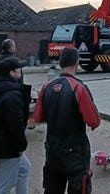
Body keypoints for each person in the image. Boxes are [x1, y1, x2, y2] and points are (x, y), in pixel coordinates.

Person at [32, 47, 101, 193]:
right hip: (74, 151)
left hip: (52, 149)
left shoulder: (46, 87)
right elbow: (94, 121)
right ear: (77, 63)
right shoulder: (79, 88)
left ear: (60, 62)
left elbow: (37, 117)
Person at [0, 57, 31, 194]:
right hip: (7, 146)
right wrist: (21, 145)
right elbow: (15, 124)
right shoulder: (12, 95)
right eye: (18, 69)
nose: (21, 71)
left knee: (24, 168)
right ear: (11, 73)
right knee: (4, 185)